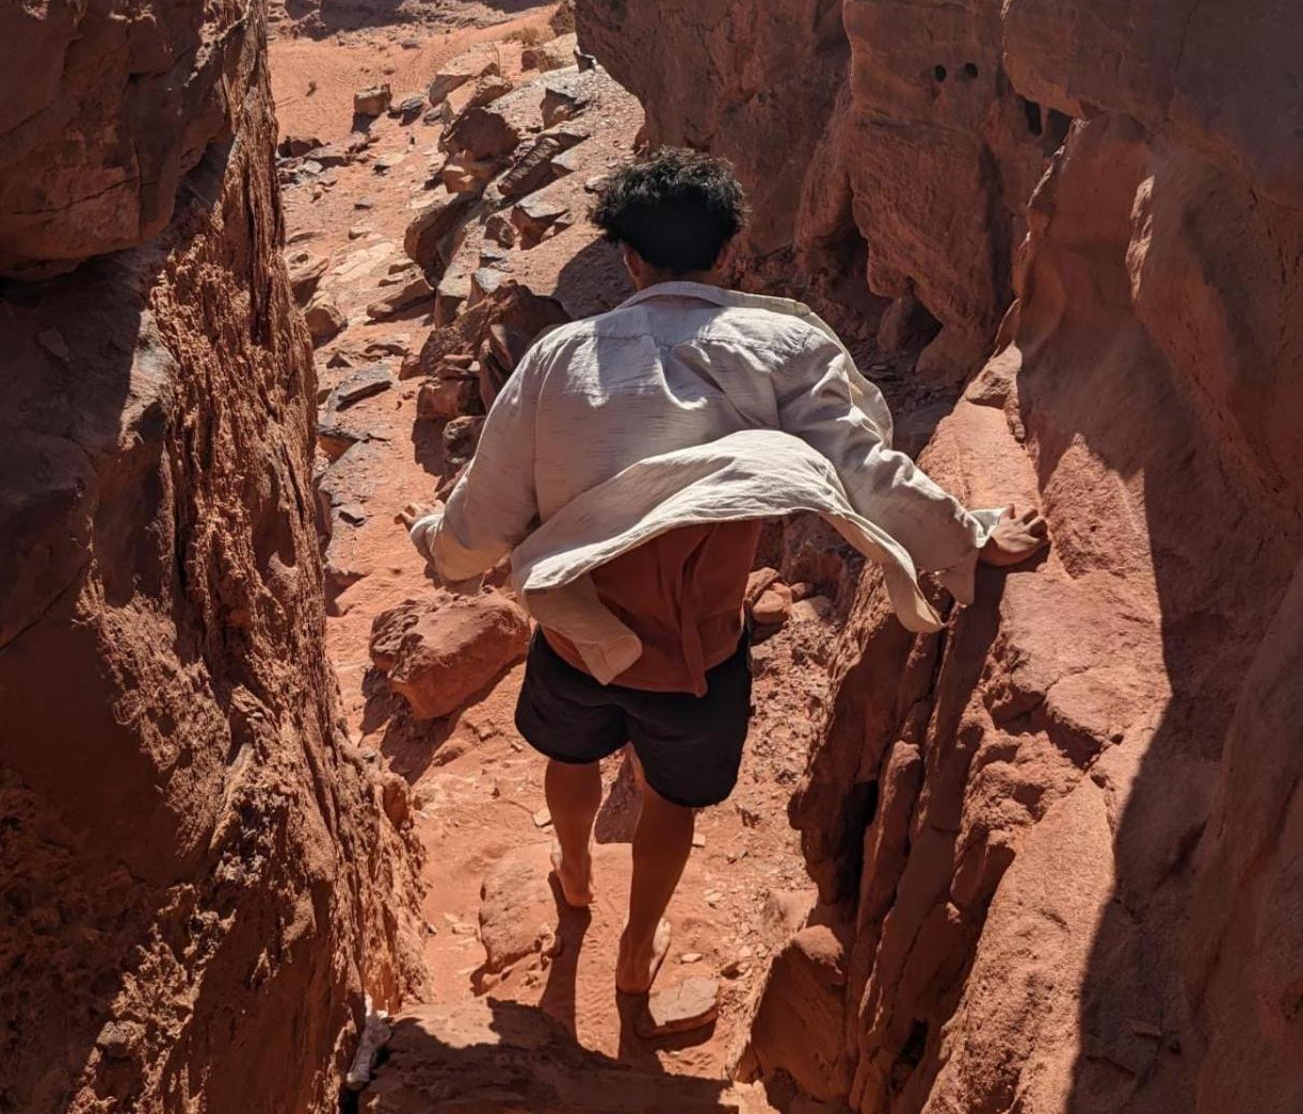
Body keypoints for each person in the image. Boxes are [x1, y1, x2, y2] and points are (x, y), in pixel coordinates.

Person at [410, 149, 1048, 994]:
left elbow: (484, 515)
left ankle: (571, 874)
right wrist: (967, 538)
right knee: (669, 798)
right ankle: (637, 951)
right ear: (727, 252)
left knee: (570, 756)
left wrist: (439, 548)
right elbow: (866, 469)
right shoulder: (778, 344)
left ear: (628, 258)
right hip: (695, 655)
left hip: (574, 634)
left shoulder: (559, 356)